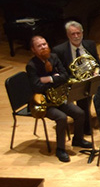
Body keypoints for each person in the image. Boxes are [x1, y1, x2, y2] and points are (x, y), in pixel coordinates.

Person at [26, 35, 91, 163]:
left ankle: (78, 139)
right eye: (39, 46)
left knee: (80, 113)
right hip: (45, 103)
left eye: (44, 44)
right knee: (61, 118)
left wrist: (49, 79)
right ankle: (60, 149)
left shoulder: (54, 57)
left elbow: (65, 76)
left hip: (59, 98)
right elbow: (37, 87)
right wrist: (56, 78)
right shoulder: (31, 66)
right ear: (33, 50)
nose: (43, 47)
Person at [53, 20, 100, 136]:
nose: (76, 36)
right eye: (72, 34)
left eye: (78, 33)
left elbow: (98, 63)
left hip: (89, 79)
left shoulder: (90, 45)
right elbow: (59, 71)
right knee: (84, 93)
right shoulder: (59, 50)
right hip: (70, 82)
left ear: (82, 33)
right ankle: (85, 127)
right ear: (67, 35)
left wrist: (96, 72)